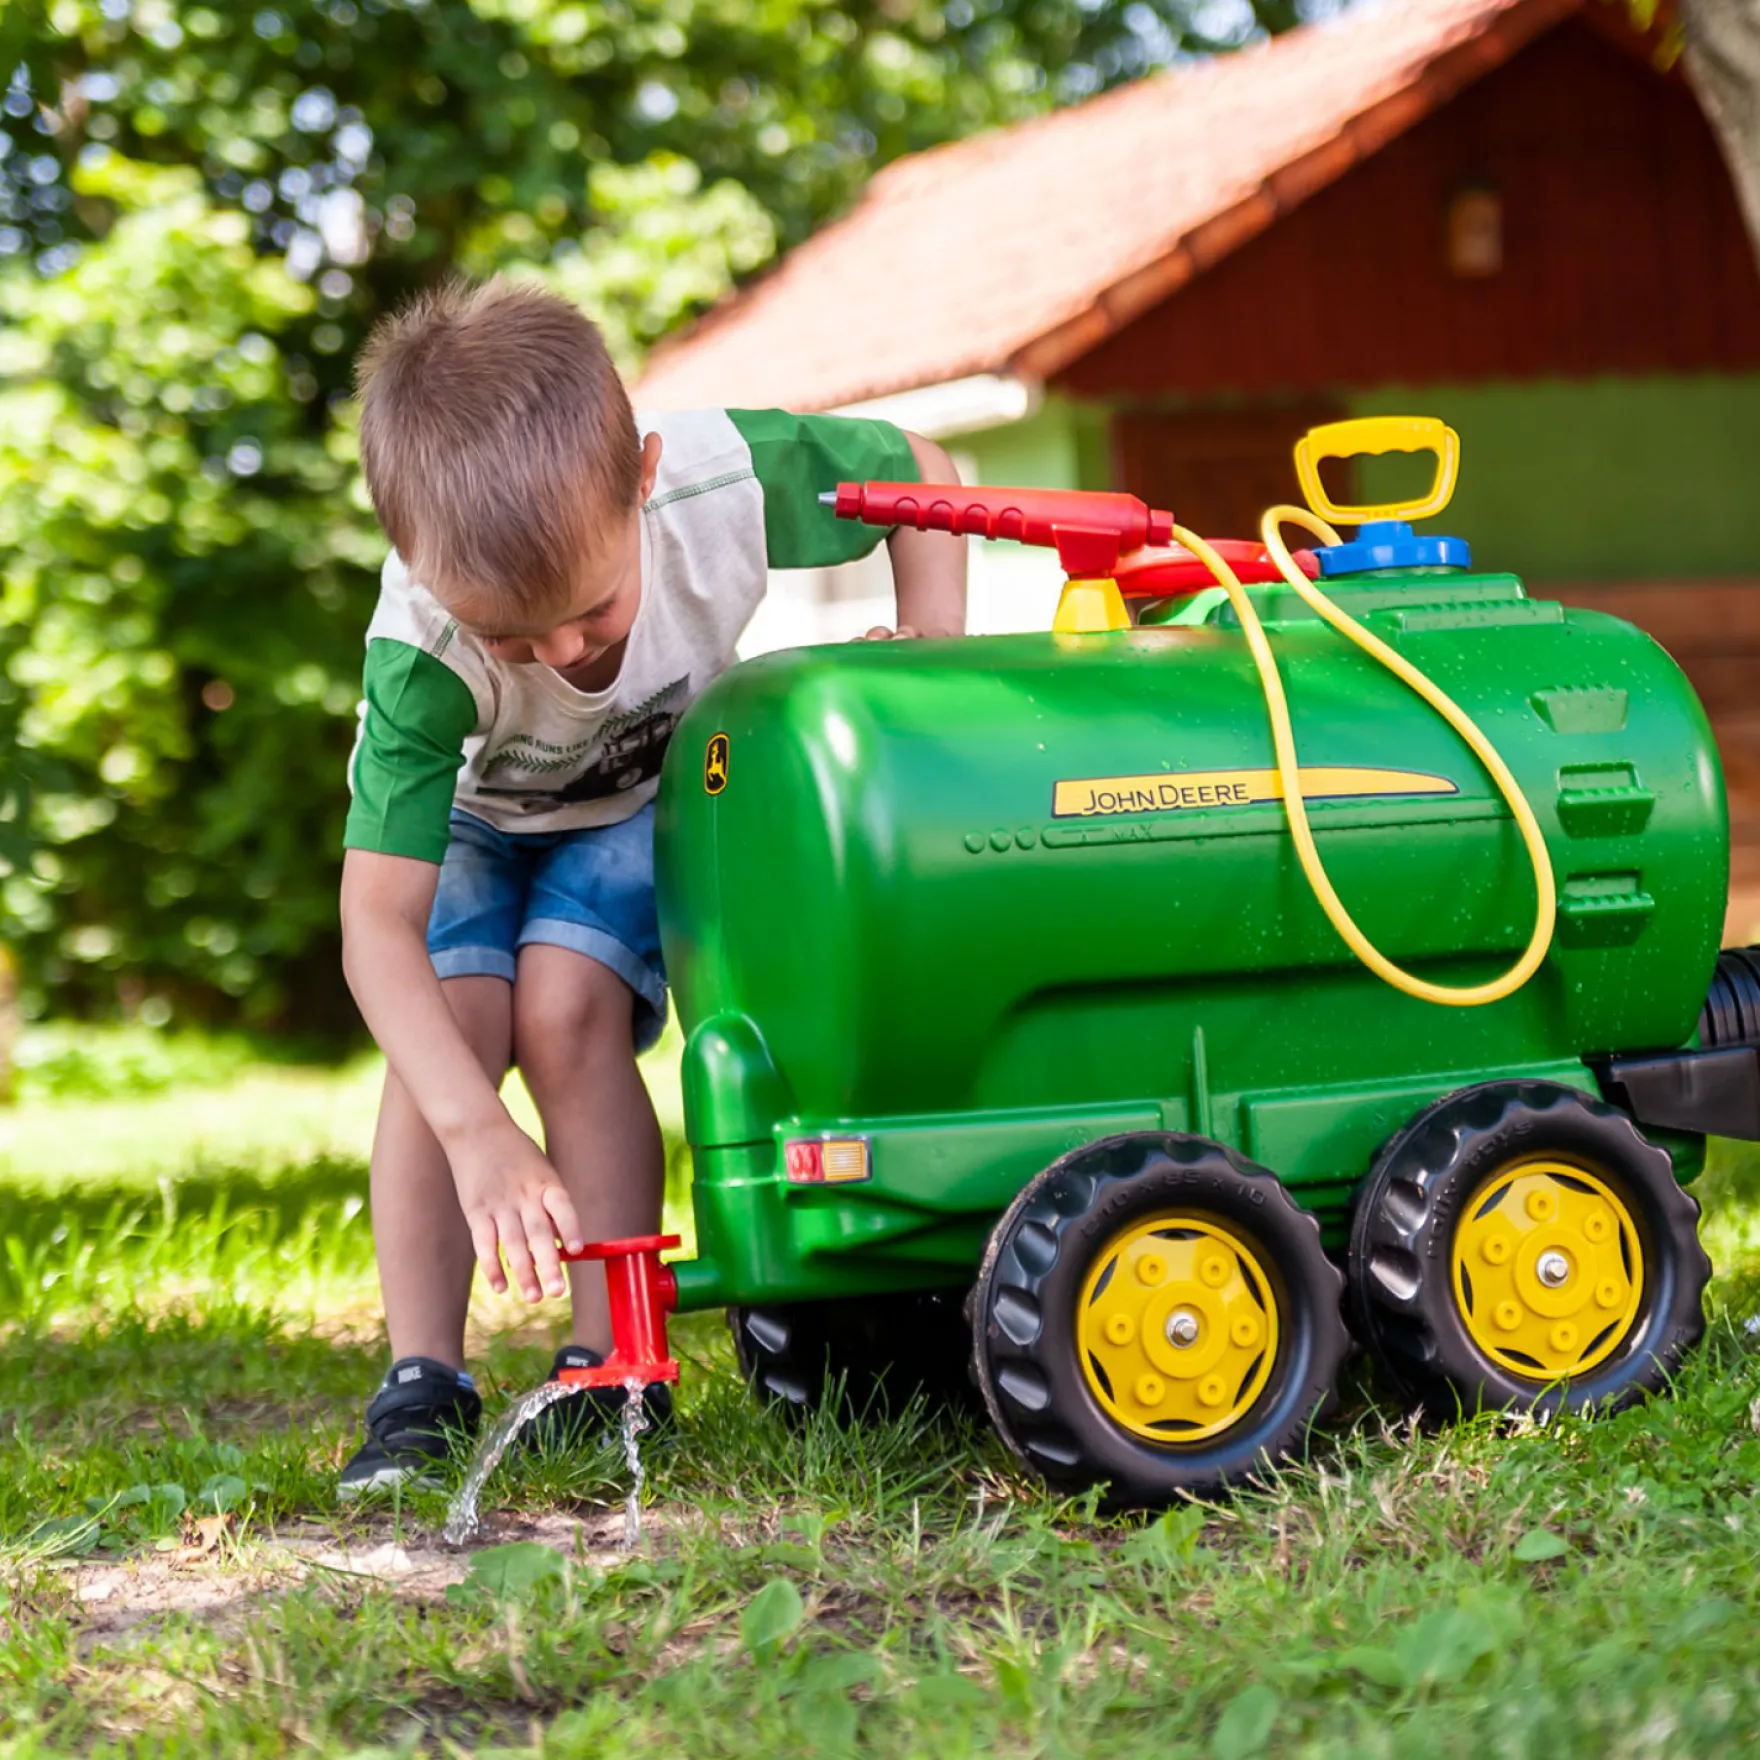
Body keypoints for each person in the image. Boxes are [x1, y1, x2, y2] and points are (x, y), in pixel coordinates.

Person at [337, 278, 967, 1494]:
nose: (560, 655)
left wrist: (928, 655)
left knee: (566, 1005)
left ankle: (612, 1360)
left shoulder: (720, 482)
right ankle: (420, 1378)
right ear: (420, 567)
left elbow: (920, 470)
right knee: (454, 1025)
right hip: (472, 821)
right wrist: (479, 1130)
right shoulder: (420, 653)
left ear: (642, 475)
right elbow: (377, 926)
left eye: (588, 613)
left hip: (638, 798)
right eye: (511, 640)